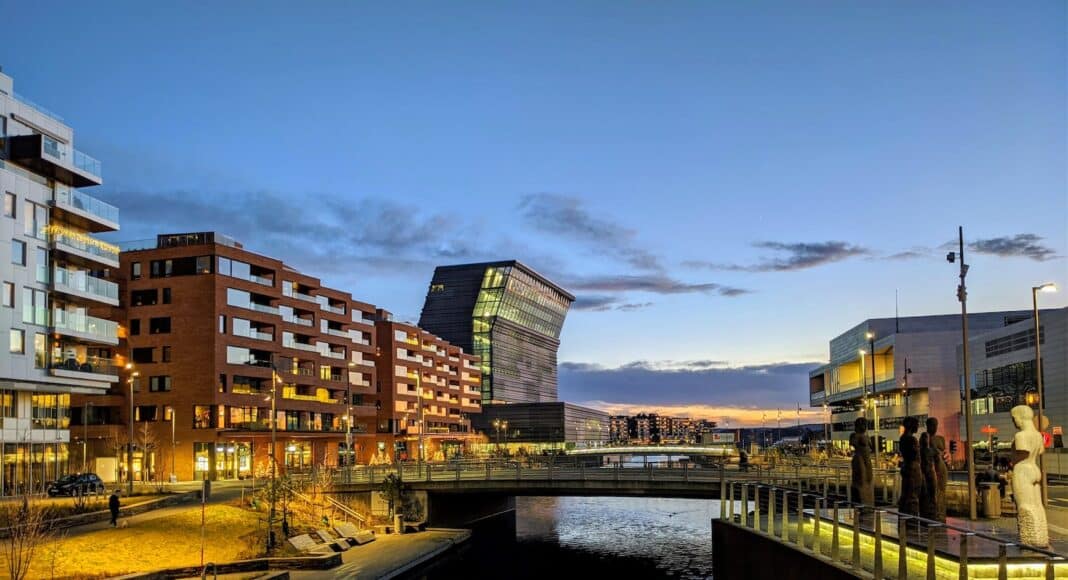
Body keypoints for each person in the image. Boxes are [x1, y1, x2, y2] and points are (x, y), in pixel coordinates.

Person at [898, 417, 924, 516]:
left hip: (906, 467)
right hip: (913, 469)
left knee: (906, 493)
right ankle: (911, 518)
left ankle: (904, 515)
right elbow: (917, 456)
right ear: (911, 426)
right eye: (917, 424)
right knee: (913, 495)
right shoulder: (912, 439)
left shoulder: (902, 438)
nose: (918, 426)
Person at [849, 417, 875, 505]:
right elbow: (854, 443)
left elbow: (871, 446)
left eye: (865, 425)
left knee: (868, 479)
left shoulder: (866, 436)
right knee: (861, 482)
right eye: (862, 424)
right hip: (860, 459)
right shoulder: (855, 436)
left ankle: (867, 502)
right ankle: (862, 502)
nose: (864, 427)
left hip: (866, 459)